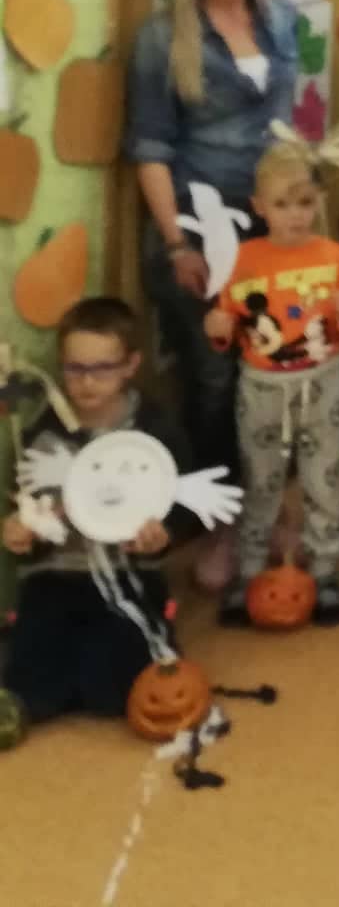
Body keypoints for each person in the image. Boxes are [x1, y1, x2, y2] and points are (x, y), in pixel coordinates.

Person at [125, 0, 297, 588]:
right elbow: (150, 148)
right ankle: (223, 520)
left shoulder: (281, 20)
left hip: (270, 223)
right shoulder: (162, 37)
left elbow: (282, 126)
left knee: (276, 367)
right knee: (213, 378)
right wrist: (176, 245)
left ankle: (269, 507)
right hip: (197, 226)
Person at [1, 300, 195, 725]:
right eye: (75, 369)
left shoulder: (154, 431)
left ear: (131, 365)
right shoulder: (42, 433)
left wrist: (163, 535)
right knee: (30, 688)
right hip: (56, 573)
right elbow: (30, 509)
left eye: (102, 369)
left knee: (117, 690)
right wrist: (22, 531)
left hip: (128, 572)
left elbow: (184, 503)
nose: (87, 382)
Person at [205, 141, 339, 627]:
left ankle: (324, 569)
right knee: (261, 477)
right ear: (259, 207)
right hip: (262, 386)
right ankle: (250, 571)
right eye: (281, 204)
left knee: (326, 476)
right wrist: (217, 328)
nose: (295, 215)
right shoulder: (241, 259)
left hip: (323, 382)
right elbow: (227, 328)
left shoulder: (336, 256)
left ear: (319, 201)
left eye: (305, 203)